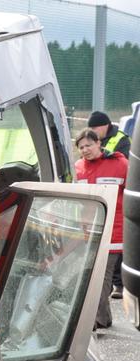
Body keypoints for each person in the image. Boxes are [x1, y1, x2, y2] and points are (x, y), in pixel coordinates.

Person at [75, 128, 128, 329]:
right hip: (89, 230)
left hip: (114, 230)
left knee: (103, 275)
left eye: (88, 145)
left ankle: (95, 319)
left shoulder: (120, 164)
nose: (85, 150)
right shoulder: (78, 167)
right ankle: (103, 317)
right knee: (90, 274)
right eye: (81, 147)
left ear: (99, 143)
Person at [88, 112, 131, 298]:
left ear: (104, 126)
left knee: (117, 252)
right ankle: (116, 286)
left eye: (95, 129)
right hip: (103, 207)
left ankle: (120, 285)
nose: (93, 132)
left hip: (118, 207)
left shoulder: (121, 140)